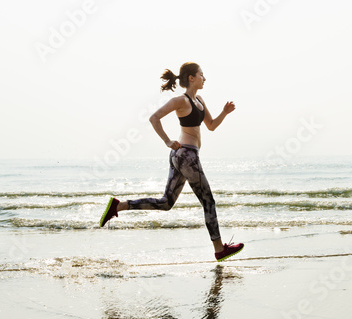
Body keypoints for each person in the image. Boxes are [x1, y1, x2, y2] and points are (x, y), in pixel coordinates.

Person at [99, 62, 244, 262]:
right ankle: (219, 249)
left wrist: (224, 113)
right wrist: (167, 140)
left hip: (184, 156)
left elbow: (211, 126)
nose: (204, 78)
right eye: (202, 74)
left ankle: (118, 206)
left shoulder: (199, 100)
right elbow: (154, 118)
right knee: (208, 201)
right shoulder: (181, 101)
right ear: (192, 77)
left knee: (166, 203)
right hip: (186, 155)